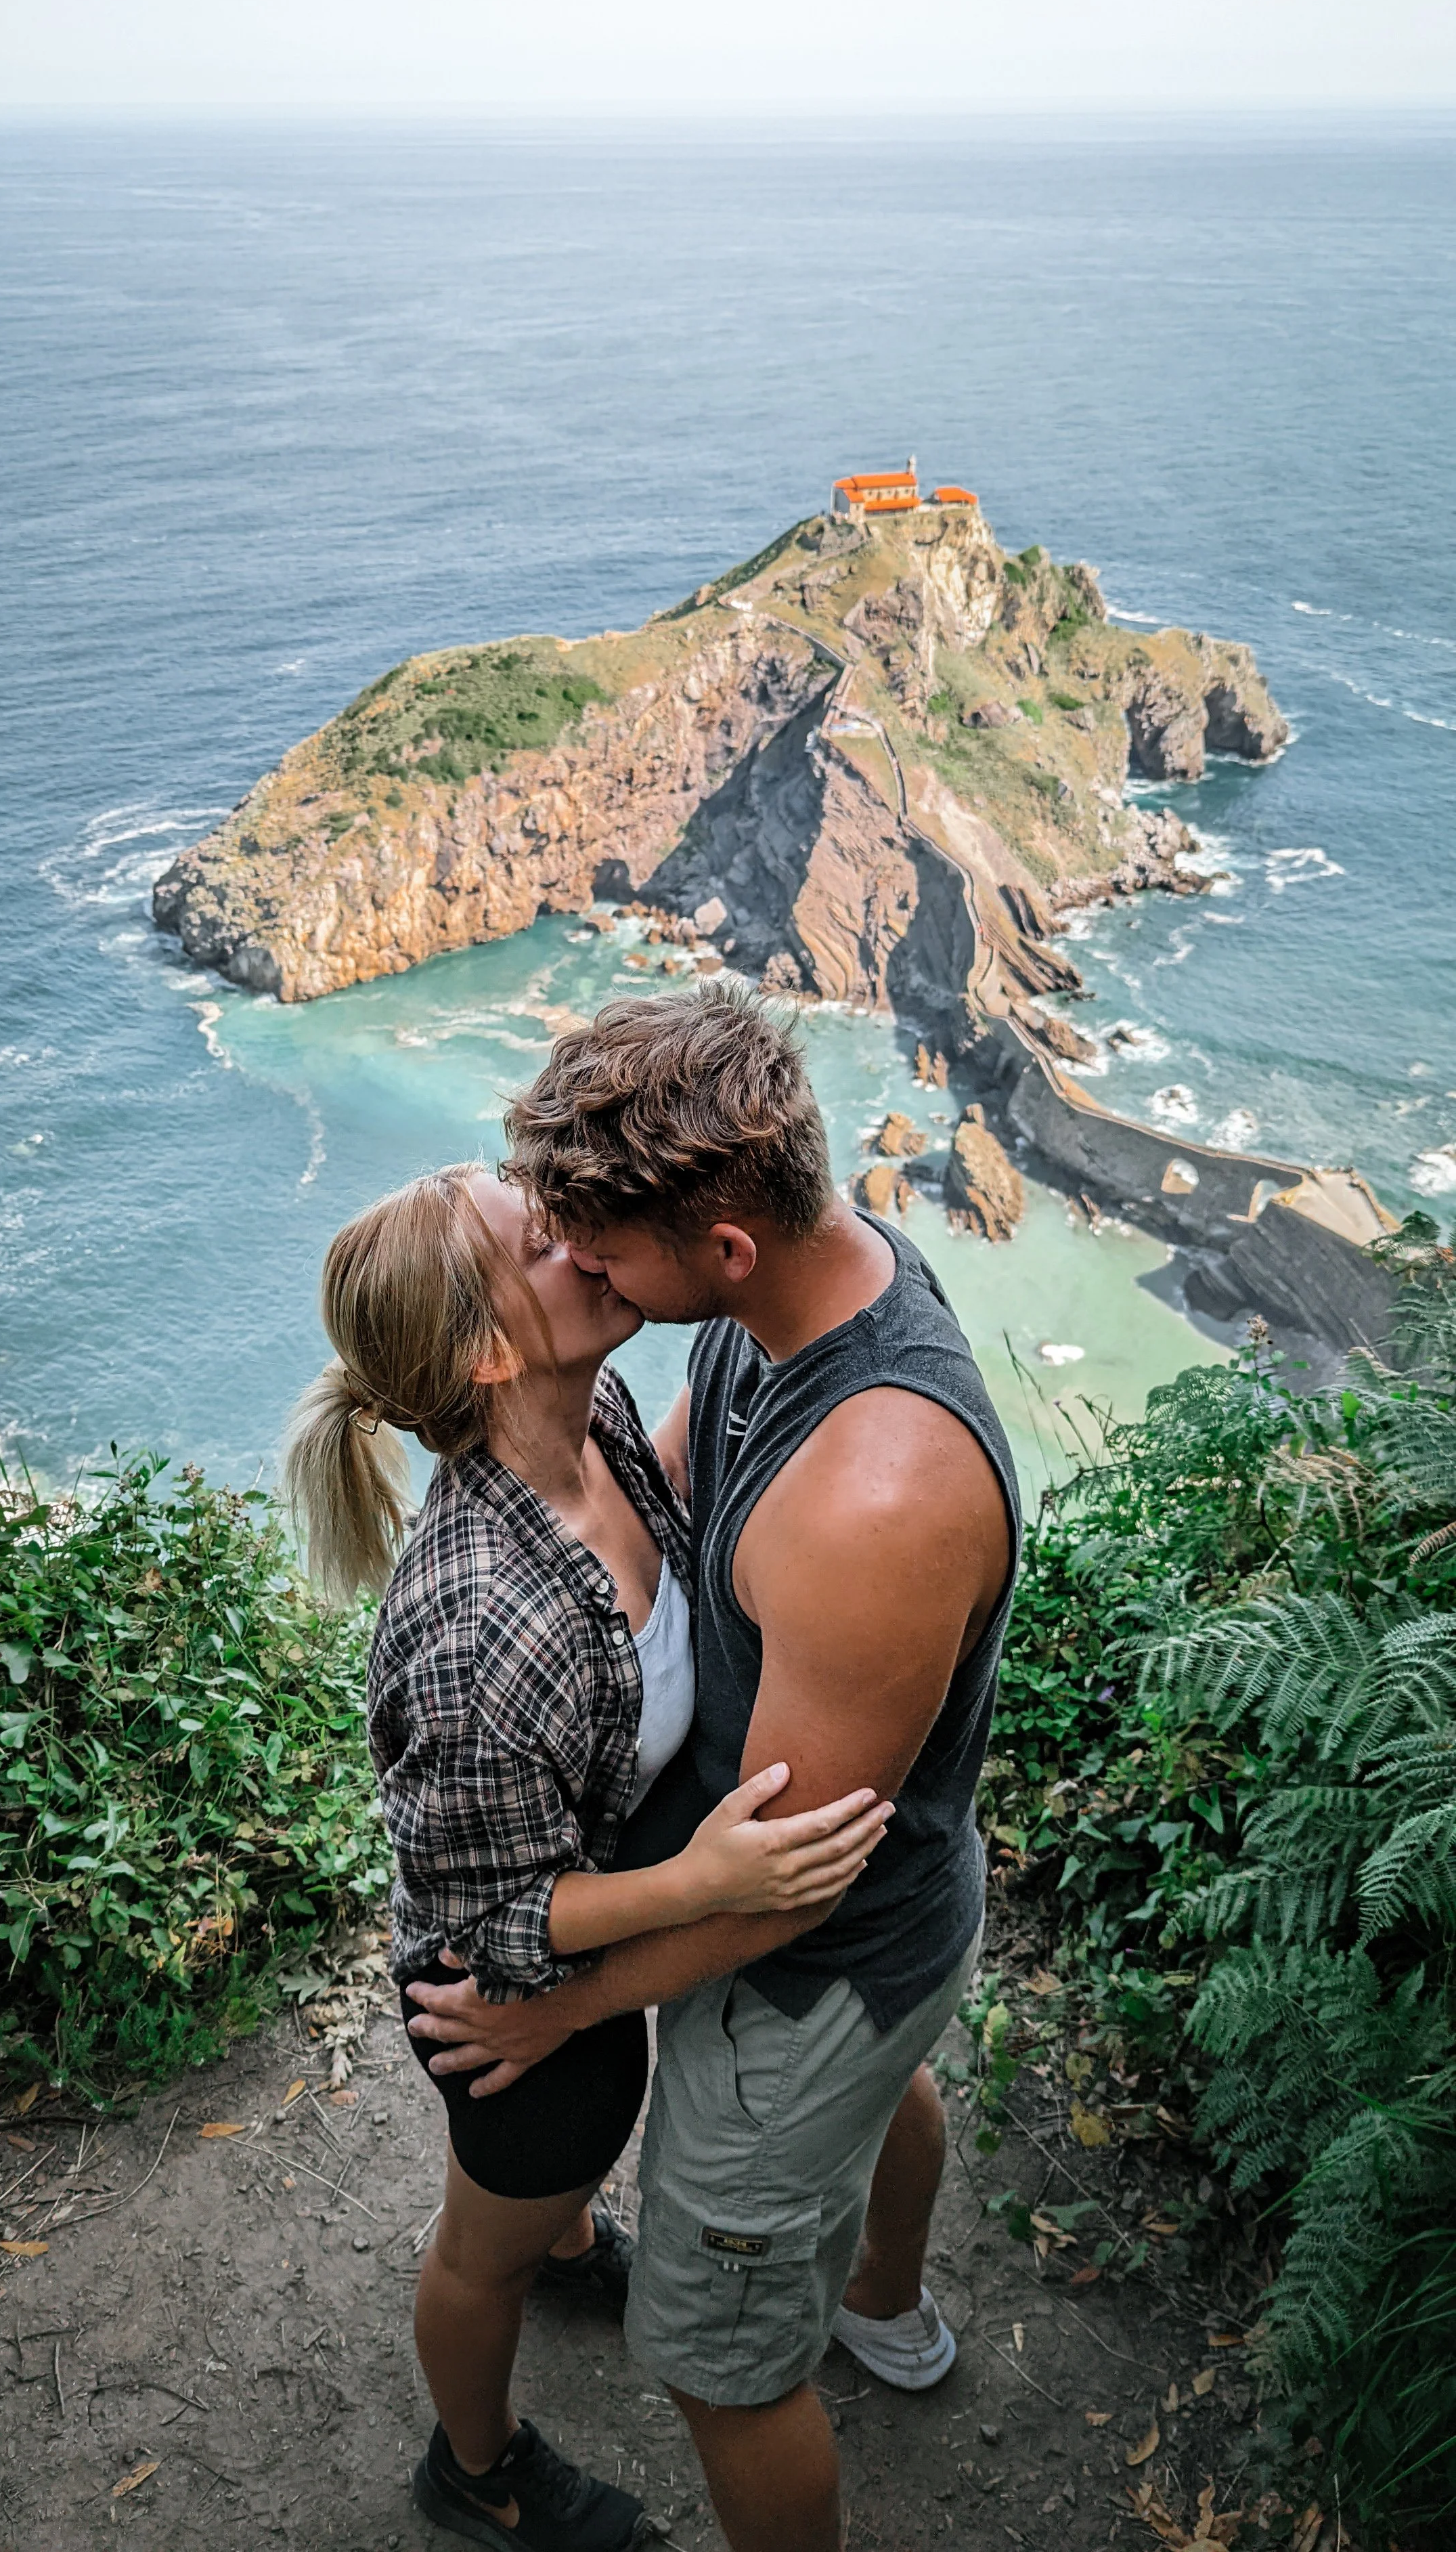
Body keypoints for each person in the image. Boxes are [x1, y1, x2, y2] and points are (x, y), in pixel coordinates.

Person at [406, 985, 1021, 2552]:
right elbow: (683, 1469)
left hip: (820, 1952)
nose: (580, 1267)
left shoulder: (874, 1497)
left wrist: (557, 2008)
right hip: (881, 1917)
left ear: (723, 1246)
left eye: (603, 1253)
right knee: (893, 2085)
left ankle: (839, 2329)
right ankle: (884, 2306)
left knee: (722, 2369)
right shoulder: (806, 1292)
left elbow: (786, 1895)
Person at [282, 1161, 891, 2552]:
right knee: (478, 2250)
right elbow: (494, 1919)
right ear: (492, 1353)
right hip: (508, 2005)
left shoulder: (597, 1415)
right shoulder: (477, 1633)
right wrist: (706, 1885)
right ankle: (478, 2467)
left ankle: (565, 2242)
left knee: (551, 2207)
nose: (578, 1229)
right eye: (539, 1238)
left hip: (580, 1917)